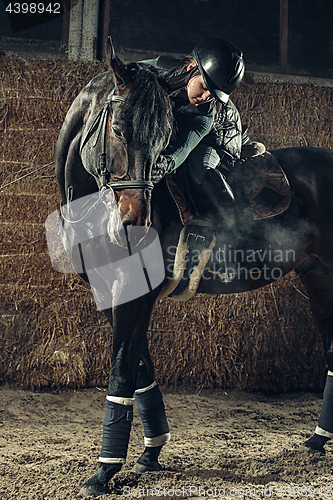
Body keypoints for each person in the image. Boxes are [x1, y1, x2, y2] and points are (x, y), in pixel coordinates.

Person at [144, 39, 264, 272]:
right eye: (205, 86)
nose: (207, 96)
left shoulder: (207, 112)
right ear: (191, 69)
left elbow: (186, 146)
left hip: (217, 134)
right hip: (176, 125)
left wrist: (168, 162)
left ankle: (244, 239)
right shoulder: (156, 68)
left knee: (200, 166)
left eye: (214, 93)